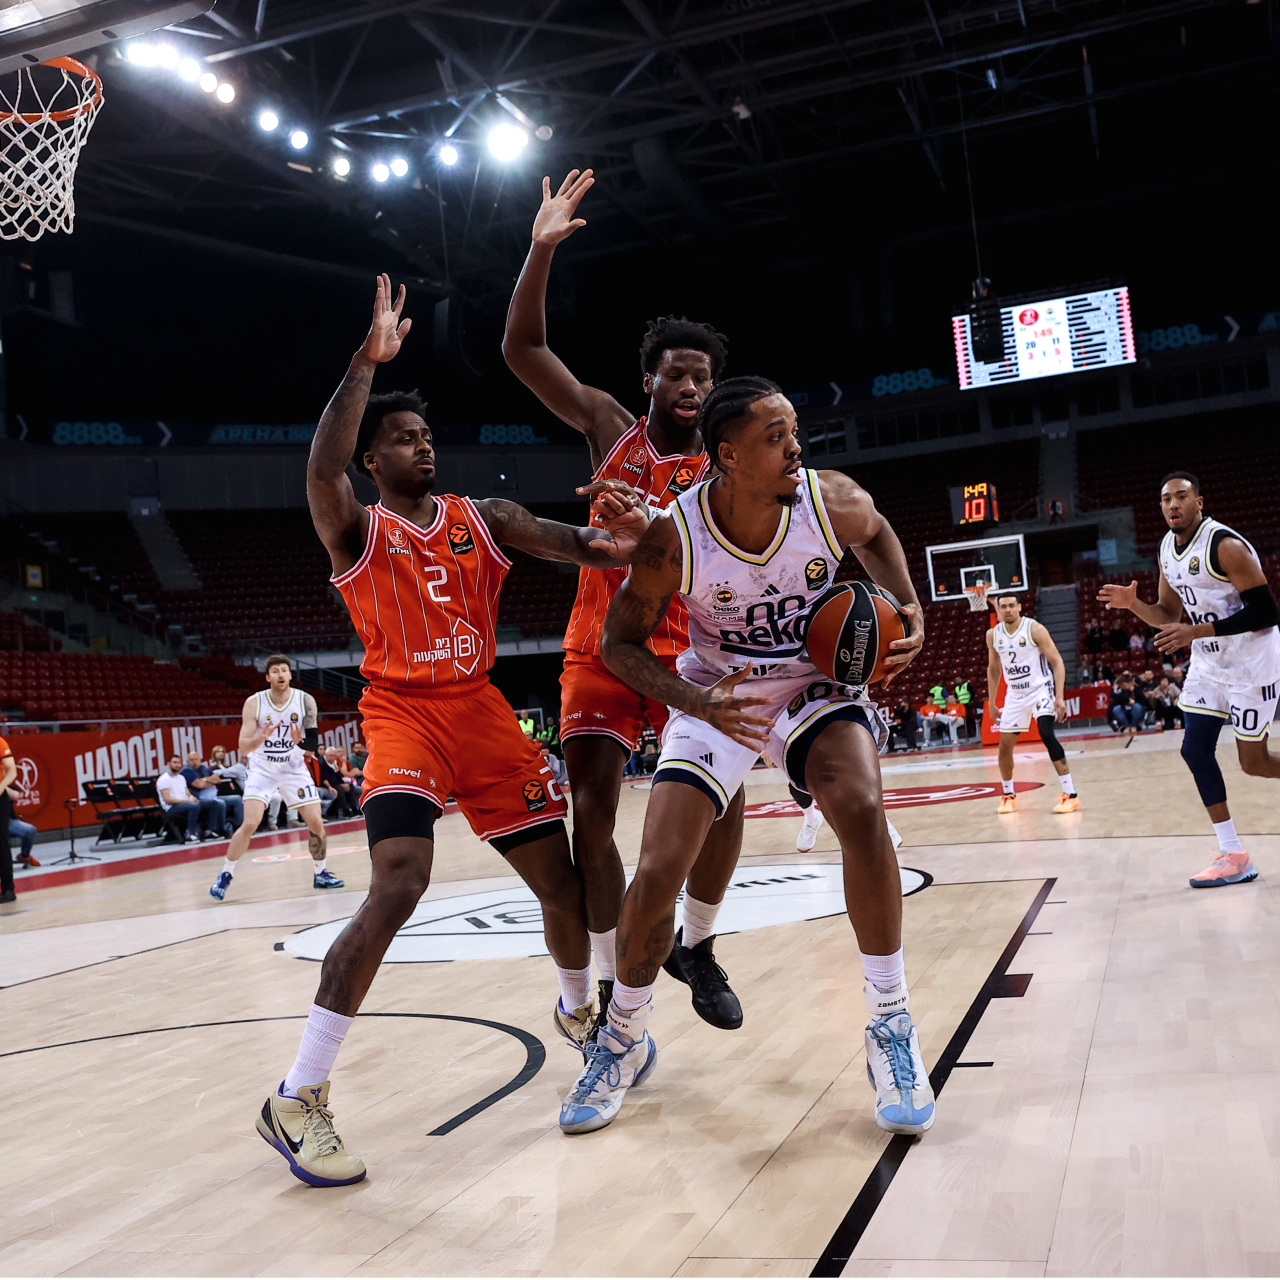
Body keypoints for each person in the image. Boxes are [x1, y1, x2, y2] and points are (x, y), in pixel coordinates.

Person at [253, 274, 650, 1189]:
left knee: (566, 882)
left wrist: (644, 531)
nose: (422, 445)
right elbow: (319, 469)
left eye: (427, 434)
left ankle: (578, 1011)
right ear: (374, 460)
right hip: (400, 713)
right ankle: (298, 1093)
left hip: (479, 712)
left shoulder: (488, 520)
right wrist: (366, 363)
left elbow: (588, 547)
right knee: (401, 883)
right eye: (403, 437)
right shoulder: (356, 527)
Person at [559, 375, 933, 1138]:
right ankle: (623, 1036)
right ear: (727, 455)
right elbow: (617, 644)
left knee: (860, 809)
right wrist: (696, 704)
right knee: (659, 866)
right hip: (717, 691)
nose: (796, 446)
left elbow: (881, 533)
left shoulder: (832, 501)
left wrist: (908, 609)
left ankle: (891, 1025)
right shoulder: (678, 535)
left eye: (795, 430)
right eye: (775, 436)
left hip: (812, 681)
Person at [503, 167, 750, 1029]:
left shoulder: (733, 463)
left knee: (727, 801)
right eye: (677, 374)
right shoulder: (611, 427)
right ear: (650, 380)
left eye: (703, 376)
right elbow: (523, 354)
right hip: (602, 643)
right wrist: (539, 252)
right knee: (591, 818)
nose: (690, 386)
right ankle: (612, 983)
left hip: (691, 649)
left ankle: (701, 944)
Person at [1099, 471, 1280, 888]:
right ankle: (1233, 853)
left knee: (1254, 764)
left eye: (1181, 497)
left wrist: (1196, 632)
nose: (1173, 505)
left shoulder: (1226, 546)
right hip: (1209, 665)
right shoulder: (1166, 548)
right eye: (1165, 499)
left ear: (1200, 501)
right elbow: (1167, 615)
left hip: (1251, 663)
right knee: (1195, 750)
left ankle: (1234, 853)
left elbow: (1267, 612)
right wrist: (1134, 605)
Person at [209, 656, 339, 901]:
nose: (281, 674)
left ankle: (321, 874)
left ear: (290, 675)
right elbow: (243, 748)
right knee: (250, 823)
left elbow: (312, 743)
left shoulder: (305, 701)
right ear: (268, 677)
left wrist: (299, 740)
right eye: (275, 671)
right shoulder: (254, 703)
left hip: (293, 767)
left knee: (316, 823)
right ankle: (226, 874)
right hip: (262, 767)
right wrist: (263, 736)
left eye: (285, 670)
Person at [986, 593, 1079, 814]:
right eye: (1003, 607)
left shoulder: (1034, 629)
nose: (1007, 610)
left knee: (1046, 733)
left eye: (1011, 605)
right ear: (998, 610)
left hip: (1040, 690)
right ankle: (1008, 795)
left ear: (1019, 607)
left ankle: (1071, 794)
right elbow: (993, 669)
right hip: (1014, 696)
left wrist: (1059, 697)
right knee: (1004, 747)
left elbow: (1057, 662)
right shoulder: (992, 635)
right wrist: (991, 702)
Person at [183, 750, 230, 837]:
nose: (194, 762)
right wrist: (210, 781)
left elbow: (217, 779)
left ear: (200, 759)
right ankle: (216, 830)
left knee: (238, 799)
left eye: (196, 759)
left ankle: (240, 827)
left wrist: (205, 780)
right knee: (219, 804)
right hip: (197, 798)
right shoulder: (187, 771)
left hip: (213, 795)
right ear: (187, 761)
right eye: (191, 760)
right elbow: (200, 785)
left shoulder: (203, 768)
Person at [156, 755, 202, 843]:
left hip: (185, 804)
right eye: (174, 762)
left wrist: (191, 797)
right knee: (194, 806)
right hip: (171, 807)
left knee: (209, 803)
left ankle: (212, 831)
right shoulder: (163, 779)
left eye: (179, 763)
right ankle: (189, 833)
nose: (177, 765)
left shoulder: (181, 778)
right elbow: (168, 800)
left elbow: (187, 792)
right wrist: (187, 801)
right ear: (168, 764)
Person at [0, 734, 16, 903]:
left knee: (1, 843)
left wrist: (2, 785)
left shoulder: (0, 742)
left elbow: (12, 770)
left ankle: (8, 889)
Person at [1108, 676, 1143, 742]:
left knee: (1137, 706)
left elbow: (1143, 701)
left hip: (1135, 709)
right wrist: (1126, 701)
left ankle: (1133, 725)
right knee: (1116, 709)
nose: (1123, 686)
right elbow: (1117, 701)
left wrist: (1134, 699)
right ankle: (1127, 726)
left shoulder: (1137, 689)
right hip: (1125, 708)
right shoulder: (1121, 691)